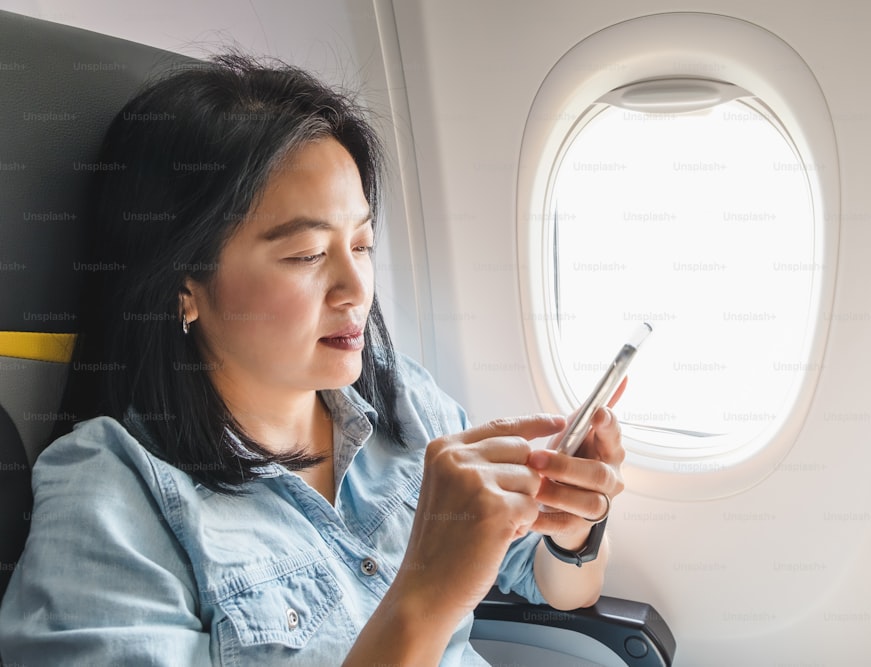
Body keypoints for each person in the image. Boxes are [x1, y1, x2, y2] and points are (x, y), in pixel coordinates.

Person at [0, 53, 625, 665]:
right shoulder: (113, 495)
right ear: (184, 286)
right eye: (306, 255)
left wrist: (572, 525)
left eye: (362, 243)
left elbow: (554, 589)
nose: (355, 289)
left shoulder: (403, 402)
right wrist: (425, 597)